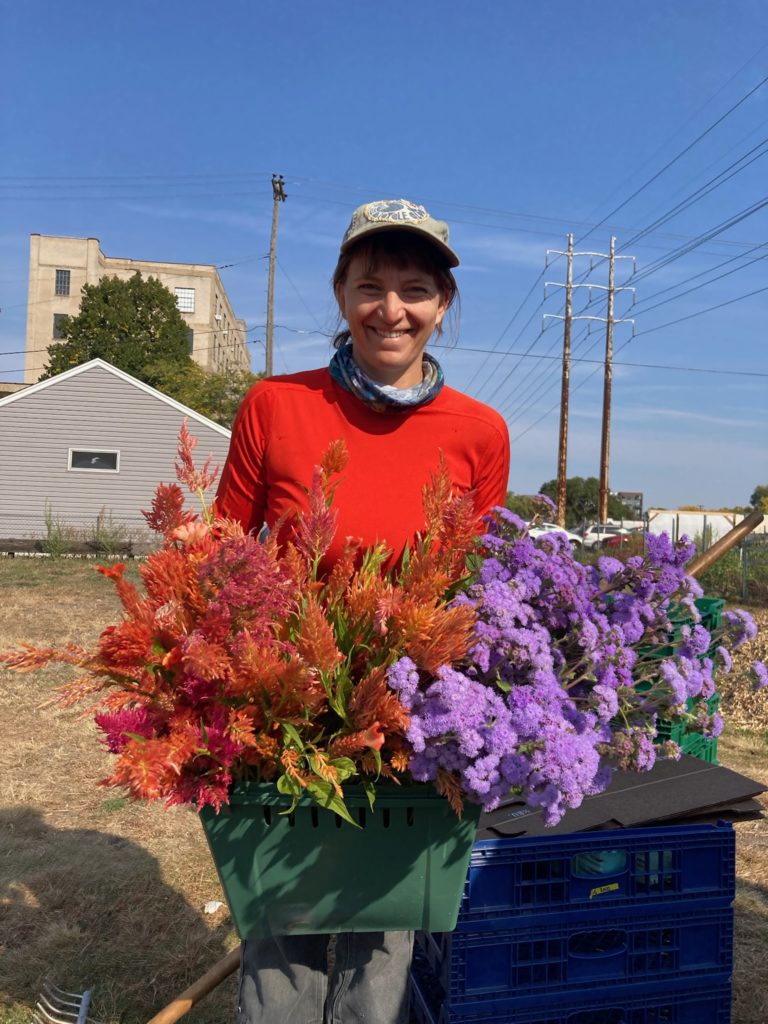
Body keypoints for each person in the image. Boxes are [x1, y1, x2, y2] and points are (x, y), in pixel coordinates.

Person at [215, 197, 510, 1024]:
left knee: (387, 931)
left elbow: (474, 581)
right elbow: (221, 553)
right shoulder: (275, 404)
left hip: (411, 712)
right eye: (371, 285)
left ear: (442, 306)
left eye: (415, 288)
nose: (392, 308)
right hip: (282, 700)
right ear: (341, 293)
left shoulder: (480, 432)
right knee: (284, 930)